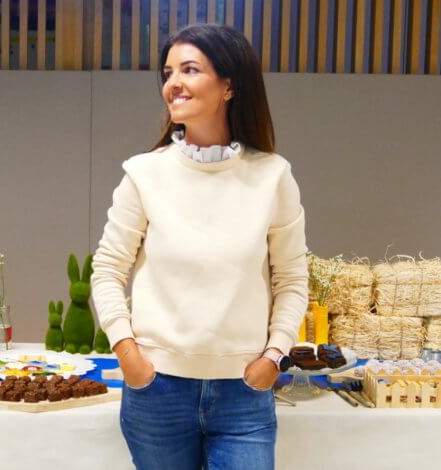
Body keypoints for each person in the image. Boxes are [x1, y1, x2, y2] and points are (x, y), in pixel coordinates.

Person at [91, 24, 308, 470]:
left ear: (229, 85)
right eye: (168, 72)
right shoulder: (143, 175)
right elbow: (107, 271)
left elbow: (291, 280)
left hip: (243, 393)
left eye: (190, 69)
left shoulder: (273, 175)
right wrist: (129, 356)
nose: (174, 83)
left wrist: (273, 356)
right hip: (158, 391)